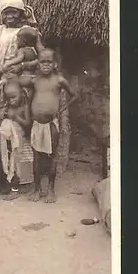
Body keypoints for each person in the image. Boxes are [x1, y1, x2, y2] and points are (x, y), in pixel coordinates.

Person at [0, 0, 44, 192]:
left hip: (21, 83)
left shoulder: (29, 32)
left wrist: (22, 66)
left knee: (20, 126)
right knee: (2, 125)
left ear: (20, 13)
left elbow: (42, 55)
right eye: (6, 12)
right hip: (1, 80)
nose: (9, 16)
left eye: (13, 12)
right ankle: (2, 173)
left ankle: (22, 178)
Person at [27, 48, 78, 203]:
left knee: (52, 157)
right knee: (36, 158)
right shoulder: (35, 81)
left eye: (49, 62)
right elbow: (30, 99)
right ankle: (37, 189)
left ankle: (51, 189)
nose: (46, 65)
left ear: (55, 64)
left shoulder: (59, 80)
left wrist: (61, 109)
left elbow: (75, 95)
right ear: (38, 63)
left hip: (51, 125)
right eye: (42, 62)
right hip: (36, 124)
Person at [0, 80, 34, 200]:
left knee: (17, 164)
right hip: (7, 143)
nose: (11, 100)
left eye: (14, 97)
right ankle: (8, 185)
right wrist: (2, 115)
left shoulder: (24, 107)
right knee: (7, 164)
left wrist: (17, 118)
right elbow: (0, 122)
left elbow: (28, 123)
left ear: (22, 94)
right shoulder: (7, 107)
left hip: (18, 143)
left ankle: (15, 189)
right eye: (8, 98)